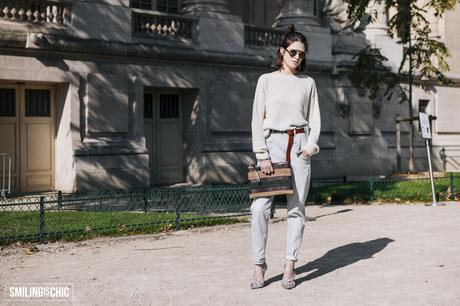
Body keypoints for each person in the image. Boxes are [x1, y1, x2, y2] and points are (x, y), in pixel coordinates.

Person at [250, 24, 321, 290]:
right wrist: (262, 153)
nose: (297, 57)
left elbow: (314, 117)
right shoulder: (266, 80)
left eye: (302, 54)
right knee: (259, 208)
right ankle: (259, 264)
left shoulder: (308, 83)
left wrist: (310, 145)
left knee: (296, 208)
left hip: (299, 144)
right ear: (282, 52)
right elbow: (257, 119)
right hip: (272, 145)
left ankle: (290, 264)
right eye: (293, 52)